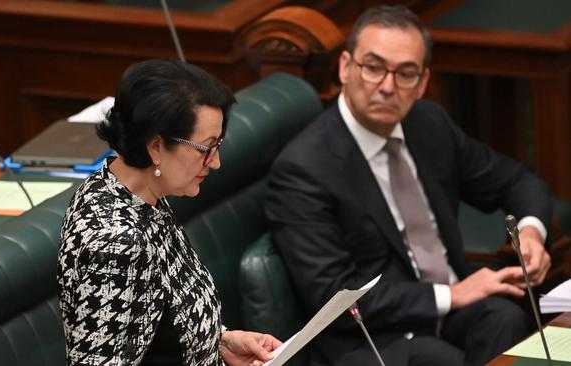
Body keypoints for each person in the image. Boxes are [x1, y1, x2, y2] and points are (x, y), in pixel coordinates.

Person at [265, 5, 552, 366]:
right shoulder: (303, 168)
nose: (387, 86)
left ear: (422, 83)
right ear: (345, 68)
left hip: (450, 309)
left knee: (506, 319)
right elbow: (334, 298)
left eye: (405, 73)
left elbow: (517, 180)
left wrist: (530, 234)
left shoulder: (428, 123)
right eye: (373, 68)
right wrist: (451, 294)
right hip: (373, 335)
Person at [58, 59, 281, 366]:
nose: (215, 162)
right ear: (157, 147)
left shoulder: (136, 193)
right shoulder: (115, 241)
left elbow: (159, 324)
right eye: (205, 148)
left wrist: (220, 341)